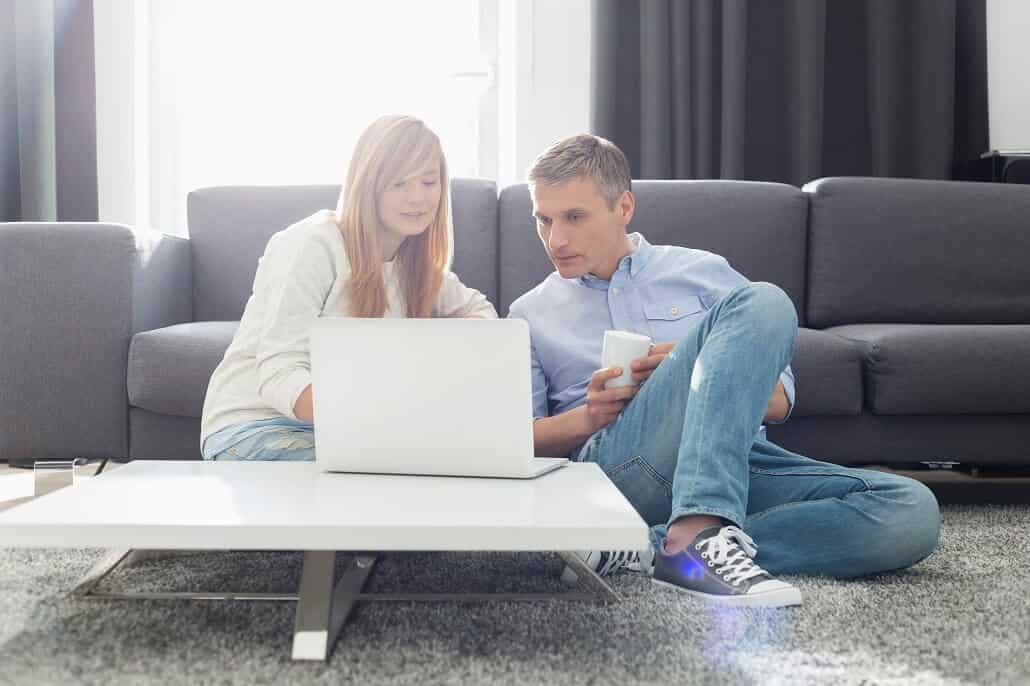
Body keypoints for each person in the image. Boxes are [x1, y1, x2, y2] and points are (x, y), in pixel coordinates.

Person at [508, 134, 940, 607]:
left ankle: (653, 548)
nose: (556, 239)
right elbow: (517, 439)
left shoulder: (702, 272)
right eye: (543, 220)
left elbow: (778, 402)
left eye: (574, 217)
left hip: (736, 458)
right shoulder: (530, 312)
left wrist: (704, 365)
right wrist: (591, 416)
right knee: (764, 299)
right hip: (622, 470)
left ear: (623, 207)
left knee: (910, 510)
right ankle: (697, 532)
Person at [201, 115, 497, 462]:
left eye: (429, 182)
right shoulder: (312, 245)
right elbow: (279, 373)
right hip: (255, 426)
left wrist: (427, 348)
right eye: (398, 183)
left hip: (348, 431)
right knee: (408, 475)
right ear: (368, 184)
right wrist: (375, 417)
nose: (417, 198)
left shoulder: (415, 265)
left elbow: (482, 314)